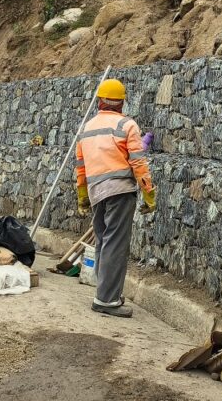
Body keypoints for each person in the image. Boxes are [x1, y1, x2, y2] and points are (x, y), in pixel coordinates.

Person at [74, 78, 155, 318]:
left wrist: (82, 196)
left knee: (103, 240)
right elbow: (138, 161)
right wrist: (149, 193)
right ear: (121, 103)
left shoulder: (86, 128)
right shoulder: (127, 125)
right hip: (120, 191)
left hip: (96, 191)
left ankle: (105, 292)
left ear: (100, 101)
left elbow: (80, 167)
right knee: (115, 243)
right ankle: (106, 300)